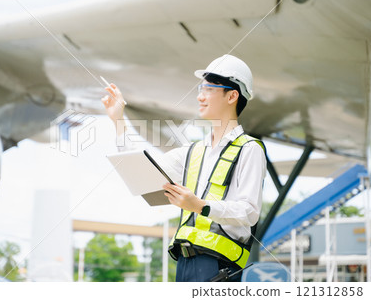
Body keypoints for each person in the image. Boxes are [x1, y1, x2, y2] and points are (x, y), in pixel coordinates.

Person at [101, 54, 267, 282]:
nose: (200, 96)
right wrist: (118, 121)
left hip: (220, 268)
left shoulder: (250, 149)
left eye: (208, 89)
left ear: (232, 95)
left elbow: (249, 211)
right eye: (200, 88)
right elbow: (143, 171)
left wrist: (200, 206)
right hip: (184, 262)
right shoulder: (192, 152)